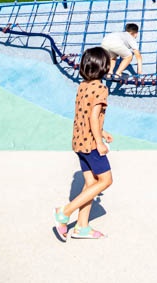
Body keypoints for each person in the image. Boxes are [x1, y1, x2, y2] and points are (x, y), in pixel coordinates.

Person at [53, 47, 113, 240]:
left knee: (90, 183)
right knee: (106, 180)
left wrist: (102, 131)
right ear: (103, 67)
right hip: (91, 144)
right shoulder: (101, 88)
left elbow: (84, 114)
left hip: (79, 140)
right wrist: (99, 142)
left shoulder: (83, 85)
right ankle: (64, 211)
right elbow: (94, 117)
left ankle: (82, 227)